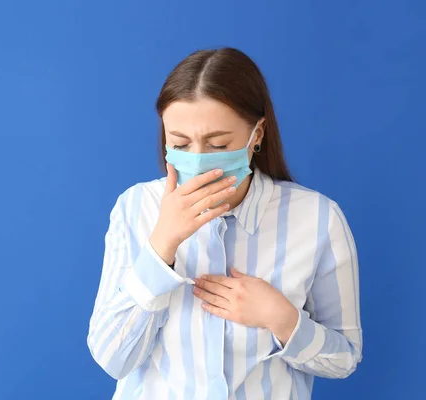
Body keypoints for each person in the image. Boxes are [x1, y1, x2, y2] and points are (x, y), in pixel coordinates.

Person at [87, 48, 362, 400]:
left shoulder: (319, 219)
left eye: (218, 144)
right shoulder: (135, 208)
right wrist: (160, 249)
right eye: (181, 143)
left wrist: (283, 319)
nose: (199, 161)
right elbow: (113, 358)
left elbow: (345, 358)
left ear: (257, 134)